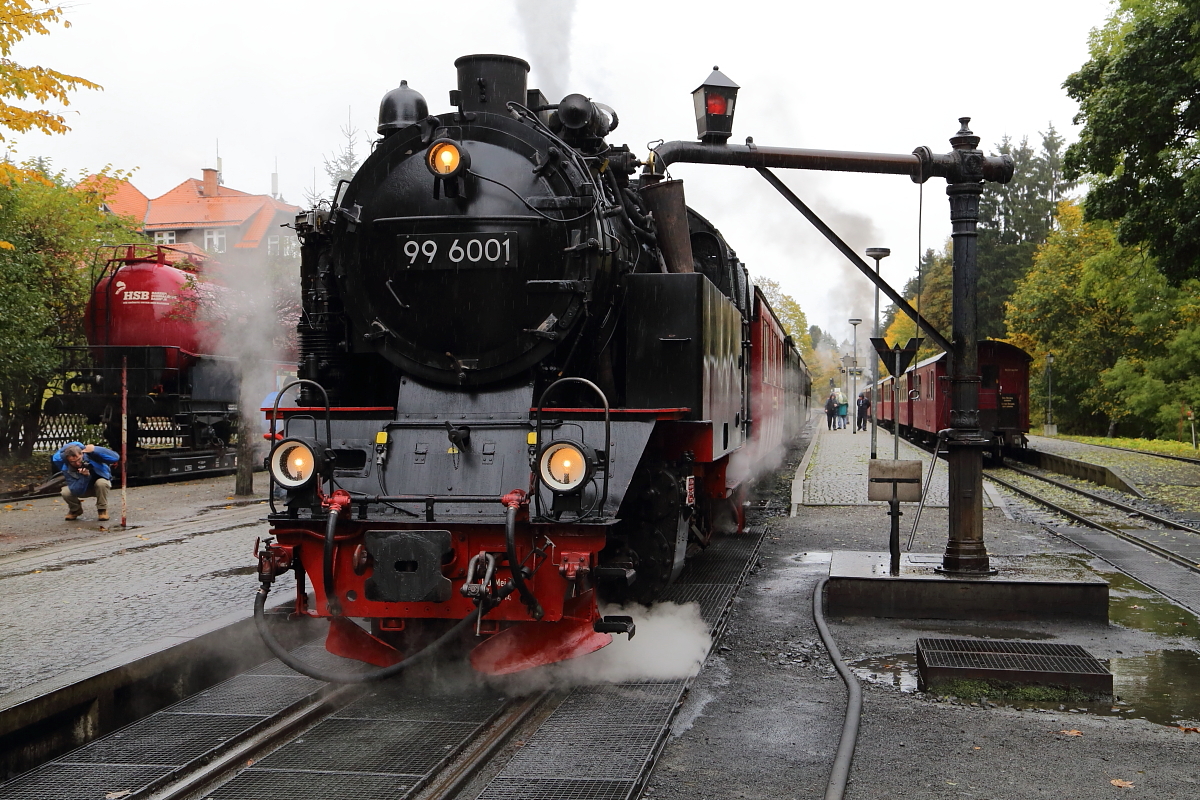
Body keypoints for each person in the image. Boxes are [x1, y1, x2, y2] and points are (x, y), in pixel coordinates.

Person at [52, 441, 120, 521]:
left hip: (99, 487)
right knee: (65, 492)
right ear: (67, 460)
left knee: (102, 482)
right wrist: (85, 477)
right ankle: (75, 510)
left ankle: (102, 510)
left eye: (79, 459)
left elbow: (115, 458)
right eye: (73, 462)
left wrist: (95, 449)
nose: (77, 463)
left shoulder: (92, 455)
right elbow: (76, 491)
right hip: (83, 489)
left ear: (82, 454)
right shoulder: (66, 468)